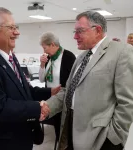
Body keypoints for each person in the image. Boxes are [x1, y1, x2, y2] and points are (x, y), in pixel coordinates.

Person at [45, 11, 133, 150]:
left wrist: (113, 138)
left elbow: (127, 102)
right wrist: (47, 106)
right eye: (75, 31)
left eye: (79, 31)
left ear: (97, 30)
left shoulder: (122, 52)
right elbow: (68, 91)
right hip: (70, 127)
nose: (75, 36)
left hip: (100, 137)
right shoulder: (81, 57)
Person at [0, 7, 61, 150]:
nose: (17, 32)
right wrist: (38, 107)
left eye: (16, 27)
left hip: (22, 136)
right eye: (11, 28)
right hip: (3, 142)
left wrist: (50, 92)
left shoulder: (10, 57)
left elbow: (24, 90)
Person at [39, 32, 76, 148]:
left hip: (63, 98)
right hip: (50, 97)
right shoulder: (48, 58)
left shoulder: (68, 56)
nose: (44, 51)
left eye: (45, 47)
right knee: (56, 125)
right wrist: (42, 64)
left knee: (64, 127)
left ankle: (64, 145)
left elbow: (73, 81)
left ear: (53, 44)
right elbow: (41, 79)